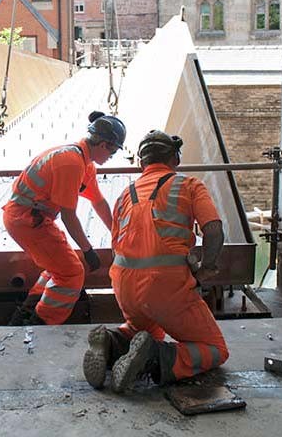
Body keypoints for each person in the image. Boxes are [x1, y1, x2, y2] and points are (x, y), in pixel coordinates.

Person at [83, 130, 228, 392]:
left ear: (142, 163)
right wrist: (204, 272)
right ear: (175, 159)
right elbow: (214, 230)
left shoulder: (124, 195)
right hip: (167, 285)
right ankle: (154, 358)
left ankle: (112, 342)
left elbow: (116, 248)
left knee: (148, 330)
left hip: (125, 287)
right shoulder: (189, 185)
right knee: (214, 348)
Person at [3, 112, 127, 325]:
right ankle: (39, 325)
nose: (111, 157)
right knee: (71, 273)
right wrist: (88, 250)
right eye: (113, 152)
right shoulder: (71, 163)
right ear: (104, 144)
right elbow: (69, 216)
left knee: (57, 267)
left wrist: (116, 236)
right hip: (27, 221)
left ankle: (25, 315)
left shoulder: (84, 163)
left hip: (31, 219)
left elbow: (98, 202)